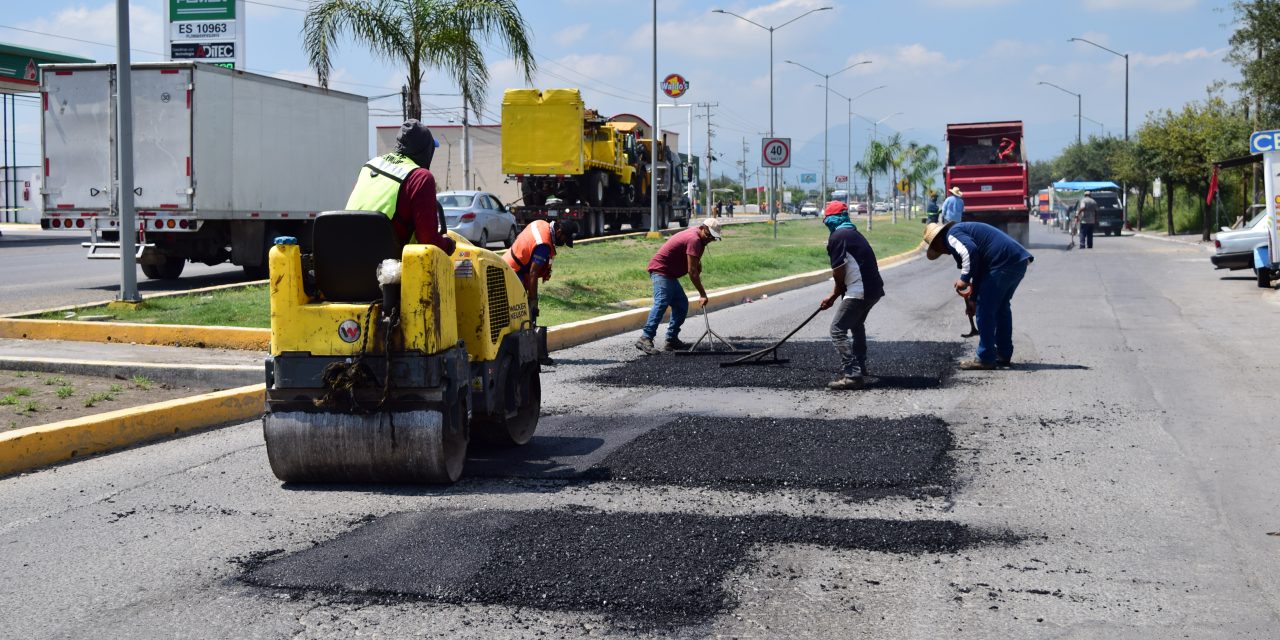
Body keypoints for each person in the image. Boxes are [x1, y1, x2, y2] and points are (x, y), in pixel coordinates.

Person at [923, 221, 1033, 370]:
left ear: (937, 241)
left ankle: (986, 357)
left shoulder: (951, 235)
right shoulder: (962, 231)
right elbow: (979, 270)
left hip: (1001, 263)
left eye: (938, 249)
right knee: (1001, 309)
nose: (945, 252)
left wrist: (964, 279)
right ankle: (1003, 353)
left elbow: (970, 251)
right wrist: (973, 299)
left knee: (985, 310)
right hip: (1016, 261)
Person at [345, 120, 456, 256]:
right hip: (384, 267)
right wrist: (448, 245)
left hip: (346, 253)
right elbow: (428, 240)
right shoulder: (420, 177)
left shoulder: (371, 164)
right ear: (427, 150)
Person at [817, 201, 884, 390]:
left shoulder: (838, 236)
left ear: (833, 218)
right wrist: (836, 294)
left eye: (827, 218)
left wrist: (833, 295)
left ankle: (852, 375)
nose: (826, 222)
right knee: (856, 324)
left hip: (860, 290)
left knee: (837, 330)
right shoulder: (854, 233)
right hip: (873, 290)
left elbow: (839, 271)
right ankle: (860, 366)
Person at [635, 218, 722, 354]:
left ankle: (671, 340)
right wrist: (702, 294)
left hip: (669, 275)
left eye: (713, 238)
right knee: (662, 302)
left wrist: (697, 263)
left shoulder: (699, 238)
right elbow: (692, 272)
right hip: (661, 271)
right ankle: (645, 338)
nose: (710, 239)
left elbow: (691, 259)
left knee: (681, 304)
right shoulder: (694, 239)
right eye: (709, 235)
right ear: (702, 228)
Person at [504, 218, 579, 366]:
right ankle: (527, 355)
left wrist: (532, 299)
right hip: (513, 273)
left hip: (511, 267)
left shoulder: (542, 224)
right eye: (564, 239)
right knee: (520, 315)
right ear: (558, 232)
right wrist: (532, 301)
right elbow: (533, 274)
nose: (563, 243)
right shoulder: (543, 245)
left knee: (522, 314)